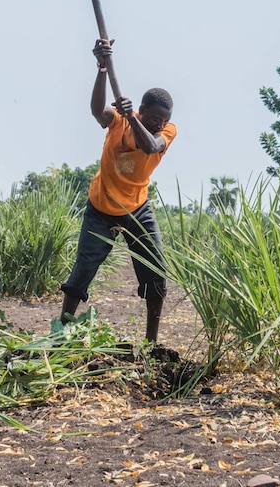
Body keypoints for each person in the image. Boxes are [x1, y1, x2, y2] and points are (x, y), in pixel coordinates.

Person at [59, 39, 177, 343]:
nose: (158, 124)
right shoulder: (118, 120)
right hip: (101, 208)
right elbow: (98, 110)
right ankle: (61, 333)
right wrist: (101, 68)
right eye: (153, 118)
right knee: (82, 272)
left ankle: (151, 344)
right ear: (142, 110)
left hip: (137, 211)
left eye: (162, 121)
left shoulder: (166, 131)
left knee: (156, 273)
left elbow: (150, 146)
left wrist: (134, 120)